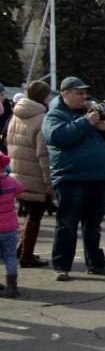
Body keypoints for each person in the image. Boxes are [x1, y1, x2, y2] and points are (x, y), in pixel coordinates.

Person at [43, 75, 105, 280]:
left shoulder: (93, 111)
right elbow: (58, 138)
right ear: (65, 93)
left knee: (93, 225)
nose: (84, 97)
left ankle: (96, 263)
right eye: (79, 93)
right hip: (72, 178)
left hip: (100, 177)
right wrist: (85, 123)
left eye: (85, 92)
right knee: (67, 223)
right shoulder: (55, 114)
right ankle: (62, 265)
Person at [6, 80, 53, 267]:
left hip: (18, 172)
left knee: (28, 214)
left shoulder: (15, 115)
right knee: (35, 216)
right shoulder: (41, 118)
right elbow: (43, 153)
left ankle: (22, 248)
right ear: (43, 96)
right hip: (34, 174)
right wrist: (48, 180)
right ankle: (27, 255)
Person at [0, 152, 21, 296]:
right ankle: (12, 285)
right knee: (10, 256)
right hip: (9, 228)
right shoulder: (11, 181)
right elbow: (20, 189)